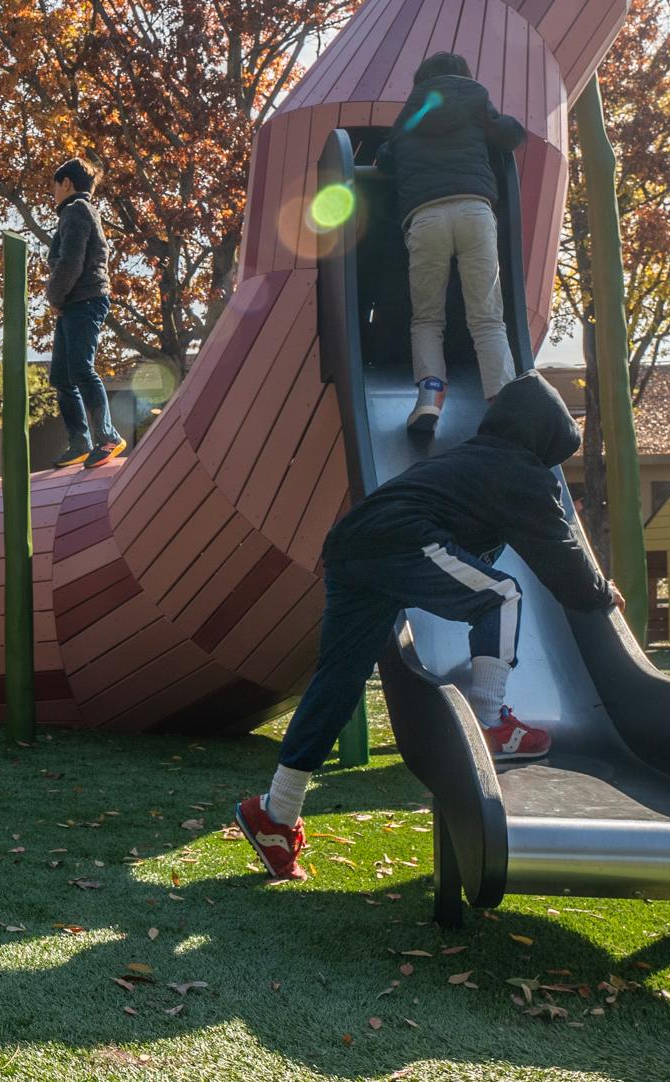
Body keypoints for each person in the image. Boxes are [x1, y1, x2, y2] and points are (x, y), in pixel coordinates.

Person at [235, 372, 620, 880]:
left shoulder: (467, 458)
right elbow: (563, 558)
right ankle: (490, 720)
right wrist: (599, 592)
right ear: (544, 437)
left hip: (351, 545)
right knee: (500, 594)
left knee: (338, 682)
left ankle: (276, 813)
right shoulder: (520, 470)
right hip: (400, 539)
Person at [391, 52, 525, 436]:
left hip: (425, 217)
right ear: (462, 75)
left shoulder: (411, 111)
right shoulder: (476, 99)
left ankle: (429, 399)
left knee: (427, 316)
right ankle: (503, 404)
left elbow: (388, 155)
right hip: (474, 211)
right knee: (486, 316)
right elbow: (510, 135)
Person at [45, 157, 126, 468]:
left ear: (67, 183)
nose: (53, 194)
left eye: (54, 187)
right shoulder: (80, 212)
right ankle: (79, 441)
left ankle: (107, 436)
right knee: (62, 376)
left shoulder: (76, 211)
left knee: (80, 369)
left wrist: (55, 295)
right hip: (74, 301)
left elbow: (71, 261)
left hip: (84, 299)